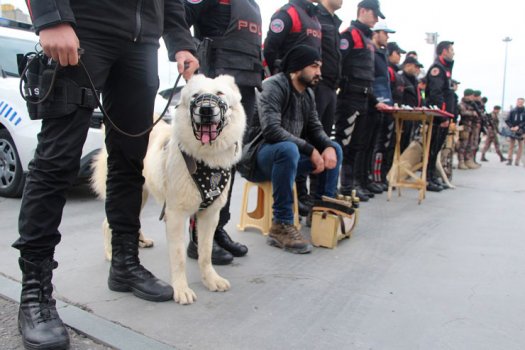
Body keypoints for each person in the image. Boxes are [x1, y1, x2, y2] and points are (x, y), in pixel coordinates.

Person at [13, 1, 199, 349]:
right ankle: (35, 293)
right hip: (85, 27)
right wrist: (51, 17)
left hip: (142, 42)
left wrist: (179, 40)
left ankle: (125, 263)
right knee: (57, 161)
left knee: (131, 160)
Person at [240, 45, 342, 254]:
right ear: (296, 68)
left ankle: (321, 212)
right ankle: (281, 224)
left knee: (335, 150)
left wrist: (328, 146)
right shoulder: (272, 86)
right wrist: (311, 150)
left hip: (287, 158)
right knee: (288, 149)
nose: (319, 73)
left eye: (319, 67)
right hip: (258, 158)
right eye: (314, 66)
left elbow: (315, 128)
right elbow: (271, 131)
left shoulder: (308, 94)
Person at [184, 0, 263, 265]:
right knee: (207, 166)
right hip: (213, 90)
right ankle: (198, 238)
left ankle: (217, 229)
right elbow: (180, 18)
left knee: (229, 164)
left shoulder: (251, 4)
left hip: (244, 90)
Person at [334, 0, 389, 201]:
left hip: (365, 99)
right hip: (349, 98)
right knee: (343, 144)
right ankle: (339, 186)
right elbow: (338, 64)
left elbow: (369, 77)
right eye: (374, 14)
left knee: (357, 145)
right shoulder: (349, 35)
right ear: (363, 11)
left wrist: (374, 101)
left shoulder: (367, 40)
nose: (376, 19)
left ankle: (350, 186)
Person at [308, 0, 343, 200]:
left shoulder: (333, 21)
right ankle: (306, 195)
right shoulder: (315, 17)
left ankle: (319, 194)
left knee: (324, 140)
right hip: (316, 86)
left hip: (331, 87)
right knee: (311, 137)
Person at [425, 40, 456, 192]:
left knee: (436, 149)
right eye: (451, 50)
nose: (453, 52)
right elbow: (436, 94)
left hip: (445, 116)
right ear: (444, 51)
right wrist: (443, 117)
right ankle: (428, 178)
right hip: (438, 117)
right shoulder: (437, 69)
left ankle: (432, 176)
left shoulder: (445, 69)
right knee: (431, 149)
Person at [369, 21, 396, 192]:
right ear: (376, 32)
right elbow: (370, 80)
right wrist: (374, 101)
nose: (387, 37)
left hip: (385, 105)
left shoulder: (381, 55)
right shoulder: (371, 53)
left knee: (380, 144)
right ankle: (369, 179)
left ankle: (373, 178)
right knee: (369, 145)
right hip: (373, 104)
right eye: (385, 33)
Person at [263, 0, 322, 75]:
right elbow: (270, 49)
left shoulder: (314, 17)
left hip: (308, 82)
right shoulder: (287, 13)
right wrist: (279, 76)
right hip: (286, 80)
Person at [398, 55, 424, 151]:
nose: (418, 69)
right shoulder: (401, 78)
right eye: (416, 67)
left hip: (414, 117)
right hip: (402, 116)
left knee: (408, 143)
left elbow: (420, 98)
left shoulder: (415, 82)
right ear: (408, 65)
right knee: (399, 143)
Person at [505, 98, 525, 166]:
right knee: (511, 145)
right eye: (519, 102)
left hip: (522, 131)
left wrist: (519, 127)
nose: (520, 103)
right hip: (512, 130)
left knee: (521, 146)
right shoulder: (512, 111)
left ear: (523, 103)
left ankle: (517, 161)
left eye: (522, 102)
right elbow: (507, 120)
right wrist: (511, 127)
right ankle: (509, 160)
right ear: (516, 102)